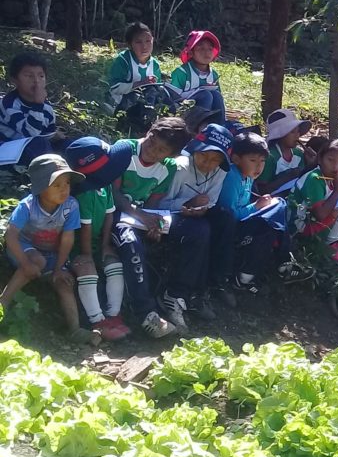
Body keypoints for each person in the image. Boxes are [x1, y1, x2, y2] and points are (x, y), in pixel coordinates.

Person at [0, 155, 99, 345]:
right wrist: (25, 262)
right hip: (22, 249)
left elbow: (67, 238)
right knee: (37, 261)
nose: (64, 189)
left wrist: (59, 268)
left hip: (51, 255)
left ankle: (74, 329)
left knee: (64, 283)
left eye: (67, 183)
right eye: (57, 185)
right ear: (40, 186)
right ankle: (3, 301)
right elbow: (10, 236)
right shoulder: (28, 206)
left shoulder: (70, 206)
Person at [110, 117, 193, 337]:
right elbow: (113, 193)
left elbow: (153, 205)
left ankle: (177, 297)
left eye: (161, 151)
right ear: (149, 132)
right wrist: (140, 216)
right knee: (130, 242)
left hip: (138, 217)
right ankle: (145, 312)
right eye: (151, 143)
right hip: (113, 216)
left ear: (171, 154)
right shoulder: (125, 150)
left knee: (190, 232)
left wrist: (153, 225)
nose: (152, 152)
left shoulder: (168, 168)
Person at [218, 131, 314, 296]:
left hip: (243, 222)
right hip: (230, 228)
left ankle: (254, 274)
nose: (259, 166)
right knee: (269, 222)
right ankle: (281, 262)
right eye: (253, 160)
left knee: (278, 207)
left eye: (262, 161)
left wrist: (259, 205)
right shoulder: (232, 177)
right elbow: (230, 214)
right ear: (236, 159)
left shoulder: (247, 177)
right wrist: (256, 207)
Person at [157, 123, 235, 319]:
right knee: (200, 230)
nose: (208, 164)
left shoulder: (220, 172)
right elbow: (161, 203)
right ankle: (177, 294)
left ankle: (214, 283)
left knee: (226, 218)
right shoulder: (181, 167)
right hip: (169, 214)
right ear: (195, 151)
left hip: (198, 213)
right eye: (204, 156)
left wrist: (201, 209)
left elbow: (212, 200)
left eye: (215, 160)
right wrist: (189, 203)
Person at [65, 137, 134, 341]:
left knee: (115, 265)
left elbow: (109, 215)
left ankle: (114, 315)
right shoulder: (84, 194)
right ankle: (97, 320)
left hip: (96, 243)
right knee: (87, 269)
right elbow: (84, 228)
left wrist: (105, 246)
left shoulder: (104, 187)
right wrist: (87, 254)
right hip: (76, 247)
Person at [108, 22, 175, 134]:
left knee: (163, 92)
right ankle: (145, 125)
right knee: (148, 91)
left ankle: (170, 126)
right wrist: (139, 84)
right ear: (130, 45)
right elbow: (114, 88)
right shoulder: (123, 60)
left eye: (148, 41)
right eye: (138, 42)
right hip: (124, 104)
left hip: (148, 102)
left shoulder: (154, 64)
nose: (144, 46)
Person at [0, 52, 58, 166]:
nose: (36, 81)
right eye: (29, 76)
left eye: (41, 76)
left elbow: (49, 133)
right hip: (8, 153)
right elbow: (30, 133)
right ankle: (52, 176)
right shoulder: (9, 104)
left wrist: (56, 137)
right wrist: (38, 104)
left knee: (68, 145)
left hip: (37, 149)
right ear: (15, 80)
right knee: (38, 143)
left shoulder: (47, 108)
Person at [169, 30, 225, 124]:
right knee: (205, 95)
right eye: (201, 49)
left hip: (209, 114)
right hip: (184, 114)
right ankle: (197, 129)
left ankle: (220, 127)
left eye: (210, 49)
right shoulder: (182, 72)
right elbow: (173, 97)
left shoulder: (213, 75)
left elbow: (218, 101)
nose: (206, 52)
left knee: (217, 95)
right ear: (191, 53)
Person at [257, 108, 316, 196]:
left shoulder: (298, 154)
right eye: (292, 132)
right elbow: (261, 189)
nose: (297, 135)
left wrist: (312, 165)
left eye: (298, 131)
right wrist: (288, 177)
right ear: (280, 135)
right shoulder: (270, 157)